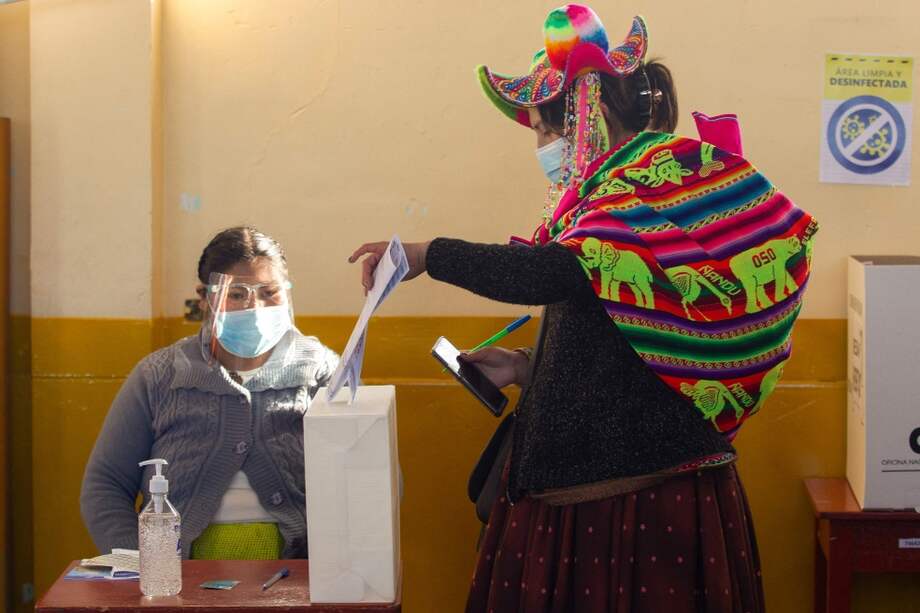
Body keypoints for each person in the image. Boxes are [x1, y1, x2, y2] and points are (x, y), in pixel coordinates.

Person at [350, 5, 817, 612]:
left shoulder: (646, 186)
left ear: (586, 114)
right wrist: (524, 366)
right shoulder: (612, 197)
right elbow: (619, 324)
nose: (543, 146)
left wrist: (427, 254)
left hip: (633, 498)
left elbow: (552, 273)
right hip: (607, 482)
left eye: (548, 129)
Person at [81, 226, 339, 560]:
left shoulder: (322, 372)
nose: (255, 307)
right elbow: (105, 485)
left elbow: (367, 477)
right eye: (237, 294)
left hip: (300, 575)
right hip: (179, 580)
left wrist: (334, 565)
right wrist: (146, 567)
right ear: (205, 298)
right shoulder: (159, 376)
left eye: (269, 292)